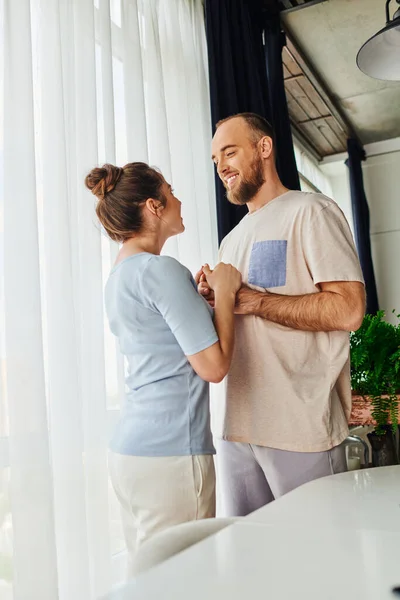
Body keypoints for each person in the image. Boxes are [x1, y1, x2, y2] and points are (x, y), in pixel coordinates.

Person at [197, 113, 366, 517]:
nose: (221, 166)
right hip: (237, 429)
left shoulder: (311, 211)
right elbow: (237, 317)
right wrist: (213, 301)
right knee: (254, 565)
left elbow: (349, 309)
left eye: (230, 152)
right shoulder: (231, 240)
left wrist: (256, 301)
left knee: (316, 558)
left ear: (264, 148)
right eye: (215, 158)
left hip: (299, 426)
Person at [85, 162, 241, 575]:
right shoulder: (161, 271)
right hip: (172, 456)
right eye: (172, 192)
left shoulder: (120, 275)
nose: (181, 201)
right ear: (154, 206)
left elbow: (164, 341)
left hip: (131, 454)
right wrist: (225, 294)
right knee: (186, 582)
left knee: (151, 580)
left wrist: (198, 299)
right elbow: (213, 366)